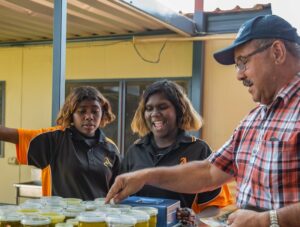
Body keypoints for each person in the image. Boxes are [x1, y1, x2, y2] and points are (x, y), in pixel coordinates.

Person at [105, 15, 300, 227]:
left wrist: (267, 220)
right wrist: (144, 176)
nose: (239, 75)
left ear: (277, 52)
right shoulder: (253, 120)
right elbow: (208, 173)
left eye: (243, 62)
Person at [121, 80, 233, 212]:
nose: (154, 113)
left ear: (179, 110)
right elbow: (121, 201)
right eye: (149, 108)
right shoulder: (134, 151)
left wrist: (193, 222)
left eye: (162, 107)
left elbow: (214, 207)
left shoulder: (199, 150)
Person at [12, 86, 120, 200]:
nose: (89, 117)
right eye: (82, 111)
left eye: (95, 111)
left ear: (102, 113)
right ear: (71, 114)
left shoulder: (111, 148)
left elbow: (118, 189)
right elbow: (11, 134)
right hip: (60, 217)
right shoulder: (54, 139)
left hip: (97, 217)